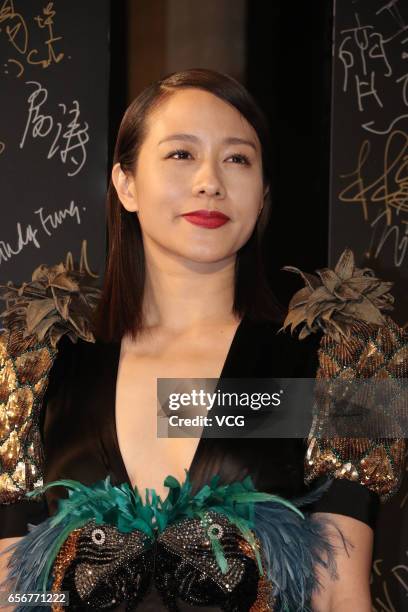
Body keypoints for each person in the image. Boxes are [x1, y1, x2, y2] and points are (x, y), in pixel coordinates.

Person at [0, 69, 405, 611]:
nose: (210, 181)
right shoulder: (34, 370)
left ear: (262, 196)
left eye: (237, 158)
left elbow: (338, 595)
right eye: (181, 155)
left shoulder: (353, 360)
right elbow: (13, 593)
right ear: (125, 183)